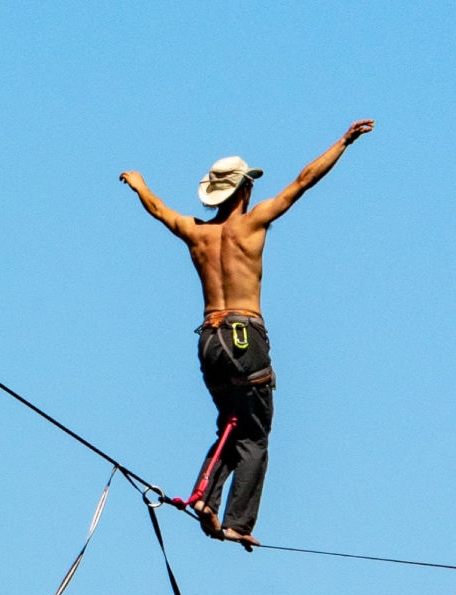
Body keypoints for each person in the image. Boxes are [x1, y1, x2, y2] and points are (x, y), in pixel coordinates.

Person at [119, 120, 375, 549]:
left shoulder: (195, 232)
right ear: (243, 190)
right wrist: (344, 142)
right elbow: (303, 181)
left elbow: (158, 208)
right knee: (255, 434)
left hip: (208, 341)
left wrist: (139, 184)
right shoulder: (253, 225)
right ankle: (238, 521)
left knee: (230, 426)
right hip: (244, 335)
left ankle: (206, 500)